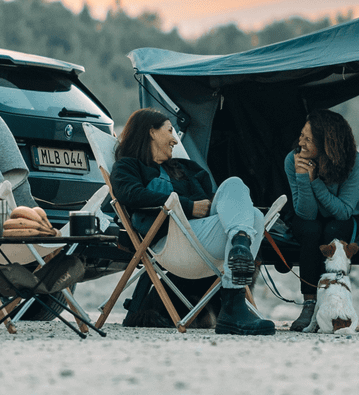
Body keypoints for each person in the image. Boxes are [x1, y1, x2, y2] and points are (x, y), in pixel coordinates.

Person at [110, 108, 275, 336]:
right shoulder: (128, 167)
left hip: (199, 235)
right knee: (253, 218)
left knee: (239, 191)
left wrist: (197, 204)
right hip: (172, 242)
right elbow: (132, 195)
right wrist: (188, 206)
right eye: (169, 131)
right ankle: (232, 306)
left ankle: (238, 247)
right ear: (151, 133)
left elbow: (205, 199)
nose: (175, 139)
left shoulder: (182, 168)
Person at [283, 109, 359, 331]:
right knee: (310, 230)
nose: (301, 143)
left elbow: (344, 211)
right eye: (301, 136)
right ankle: (310, 303)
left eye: (308, 139)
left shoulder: (353, 161)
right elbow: (306, 213)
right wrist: (302, 177)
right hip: (307, 217)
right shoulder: (293, 159)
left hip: (339, 218)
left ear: (327, 143)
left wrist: (315, 181)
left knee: (334, 230)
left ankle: (332, 301)